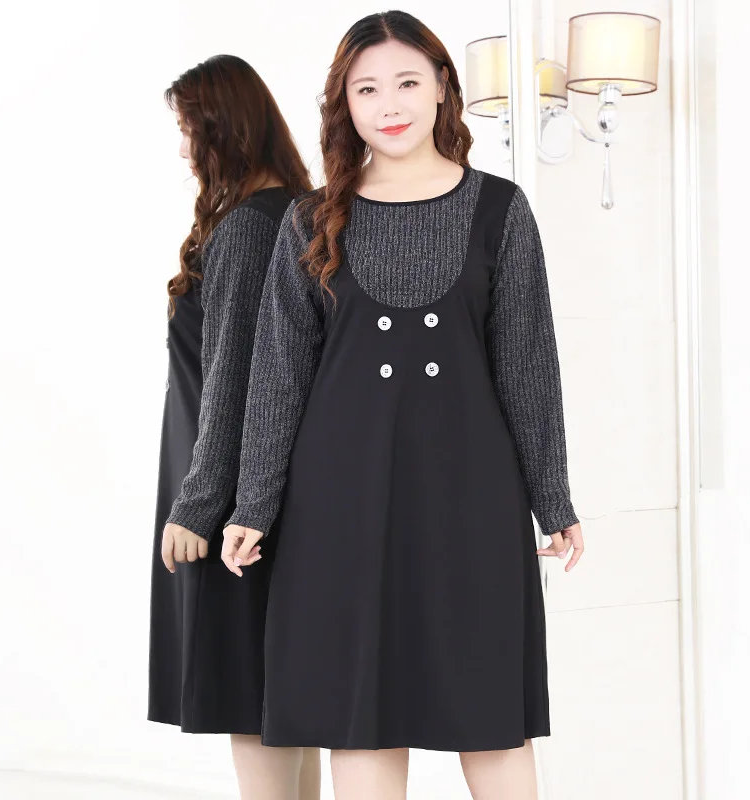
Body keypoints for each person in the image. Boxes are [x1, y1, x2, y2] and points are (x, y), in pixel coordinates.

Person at [223, 11, 584, 799]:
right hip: (338, 505)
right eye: (367, 89)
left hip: (472, 500)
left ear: (443, 87)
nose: (389, 104)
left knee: (491, 712)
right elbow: (278, 375)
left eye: (408, 82)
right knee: (361, 714)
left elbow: (528, 365)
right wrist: (254, 502)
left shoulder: (500, 209)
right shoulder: (311, 218)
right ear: (344, 103)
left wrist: (552, 497)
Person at [147, 54, 320, 800]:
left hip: (233, 503)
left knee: (251, 698)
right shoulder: (296, 211)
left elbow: (236, 375)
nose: (185, 149)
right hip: (264, 486)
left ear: (225, 129)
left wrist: (199, 504)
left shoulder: (252, 228)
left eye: (190, 130)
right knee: (283, 703)